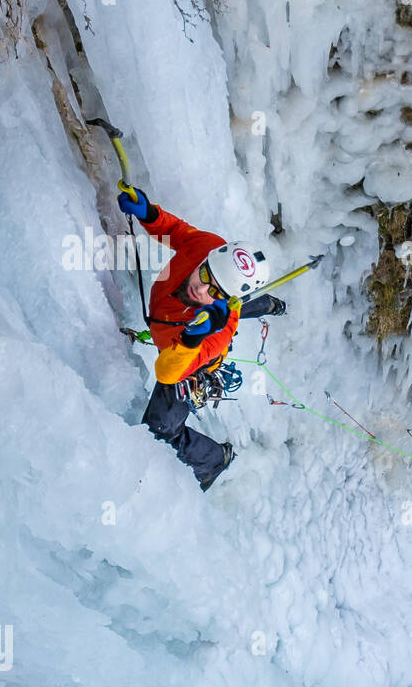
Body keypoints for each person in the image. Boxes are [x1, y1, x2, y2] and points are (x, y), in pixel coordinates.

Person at [119, 188, 286, 491]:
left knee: (160, 428)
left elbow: (168, 373)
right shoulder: (208, 246)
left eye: (217, 293)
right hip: (185, 318)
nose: (202, 290)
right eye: (206, 276)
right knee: (228, 308)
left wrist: (192, 339)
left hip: (193, 360)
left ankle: (214, 460)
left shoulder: (216, 337)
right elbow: (176, 231)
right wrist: (150, 215)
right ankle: (268, 303)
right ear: (209, 260)